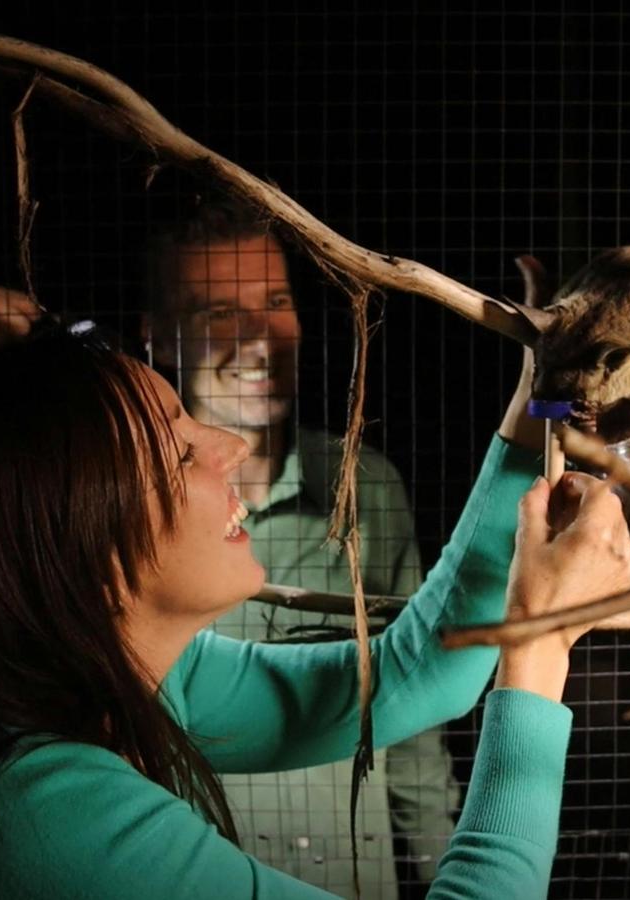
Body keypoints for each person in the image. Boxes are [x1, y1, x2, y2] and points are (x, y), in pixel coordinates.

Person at [0, 320, 630, 899]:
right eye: (179, 455)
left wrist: (544, 390)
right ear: (87, 554)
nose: (231, 446)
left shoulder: (137, 672)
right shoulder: (38, 816)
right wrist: (539, 640)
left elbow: (414, 674)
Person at [142, 201, 453, 896]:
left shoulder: (364, 485)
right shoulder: (130, 513)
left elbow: (417, 713)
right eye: (220, 312)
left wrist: (442, 870)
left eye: (276, 301)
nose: (260, 338)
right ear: (158, 337)